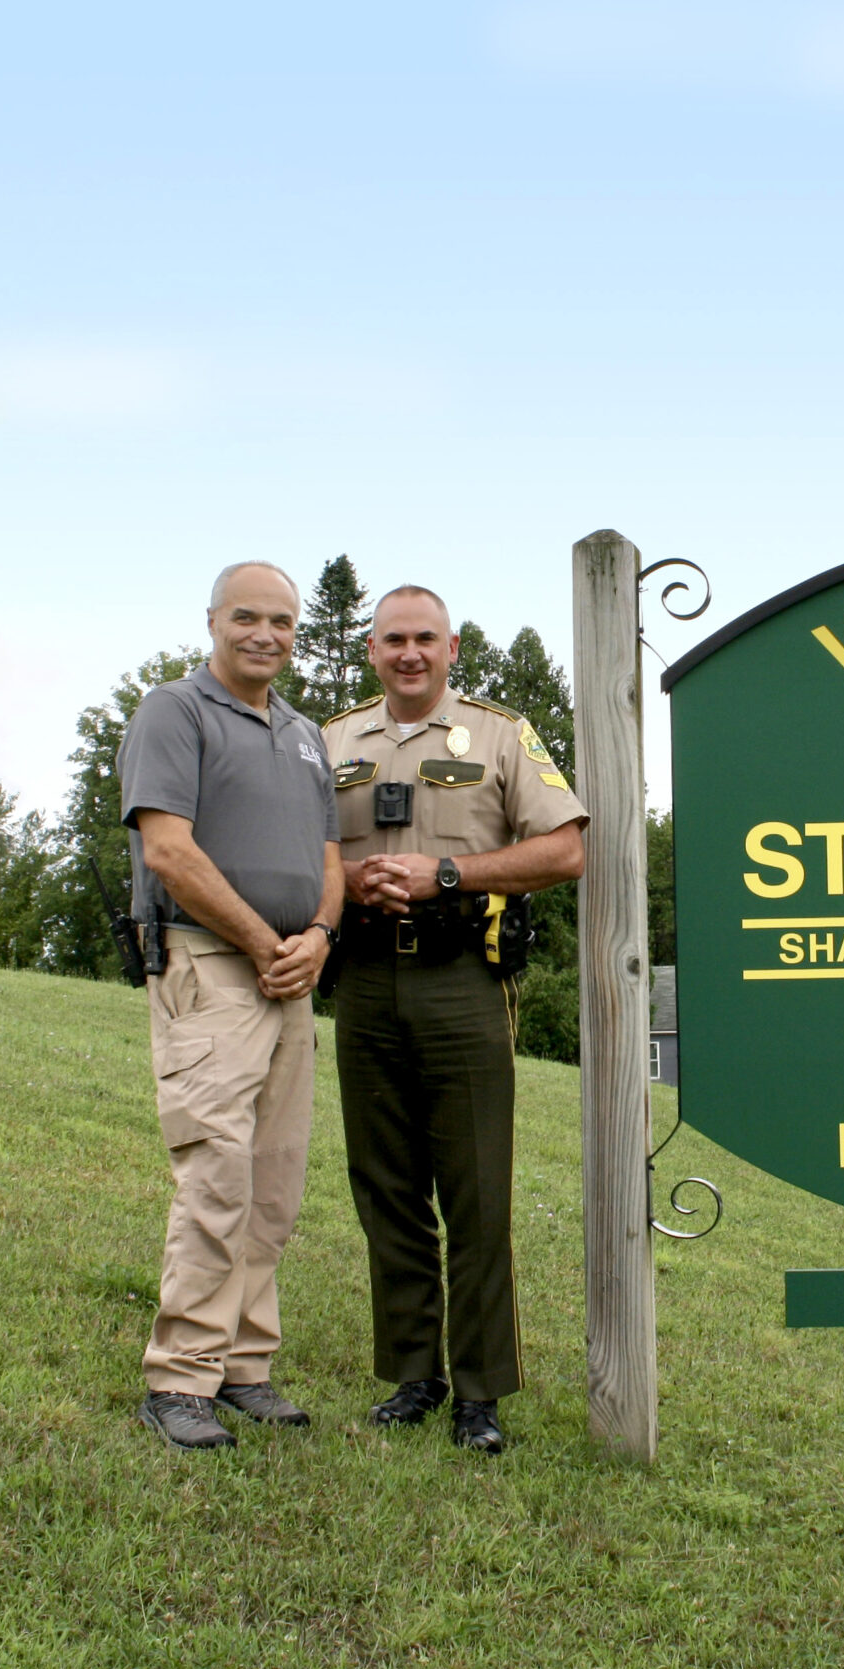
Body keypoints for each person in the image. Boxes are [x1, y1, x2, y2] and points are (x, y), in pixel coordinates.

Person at [323, 585, 586, 1454]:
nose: (410, 653)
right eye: (393, 639)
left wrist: (447, 875)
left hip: (463, 982)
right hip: (361, 980)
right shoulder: (332, 742)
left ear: (453, 647)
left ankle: (480, 1392)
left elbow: (565, 848)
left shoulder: (501, 734)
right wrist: (347, 884)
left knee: (476, 1193)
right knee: (386, 1188)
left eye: (424, 639)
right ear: (371, 649)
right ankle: (414, 1374)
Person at [117, 560, 343, 1451]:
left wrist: (320, 936)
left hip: (293, 974)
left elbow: (329, 857)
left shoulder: (304, 733)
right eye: (246, 616)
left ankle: (245, 1366)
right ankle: (179, 1378)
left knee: (273, 1185)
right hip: (212, 966)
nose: (265, 634)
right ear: (213, 620)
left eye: (282, 621)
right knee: (216, 1174)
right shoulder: (172, 711)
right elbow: (169, 850)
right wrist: (261, 941)